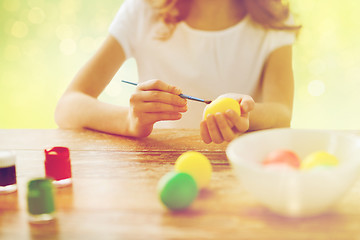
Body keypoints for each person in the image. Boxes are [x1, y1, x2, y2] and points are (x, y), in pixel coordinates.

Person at [55, 0, 300, 144]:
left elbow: (282, 114)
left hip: (238, 176)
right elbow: (68, 107)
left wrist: (245, 115)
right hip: (155, 174)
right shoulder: (144, 10)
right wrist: (130, 122)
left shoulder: (272, 19)